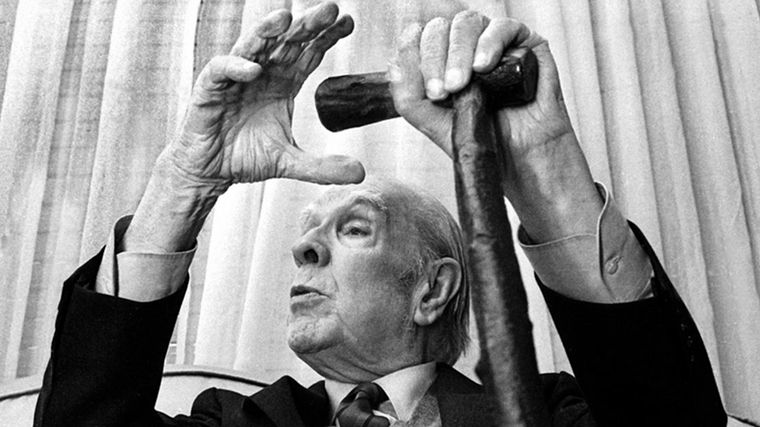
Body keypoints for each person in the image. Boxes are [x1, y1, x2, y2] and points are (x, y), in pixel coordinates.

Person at [34, 3, 726, 426]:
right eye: (308, 234)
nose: (304, 249)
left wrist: (546, 170)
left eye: (353, 228)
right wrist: (186, 180)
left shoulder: (550, 416)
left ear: (433, 288)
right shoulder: (237, 421)